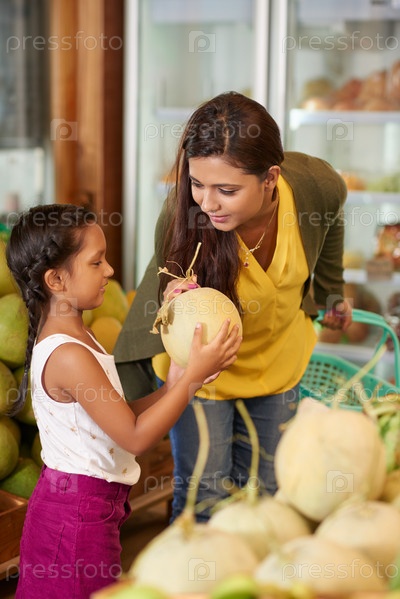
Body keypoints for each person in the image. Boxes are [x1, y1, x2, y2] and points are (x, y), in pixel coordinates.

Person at [114, 91, 353, 522]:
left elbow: (334, 215)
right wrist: (173, 300)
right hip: (201, 371)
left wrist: (331, 289)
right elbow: (167, 290)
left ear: (270, 178)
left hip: (277, 362)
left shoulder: (315, 186)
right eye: (197, 183)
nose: (207, 203)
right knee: (204, 499)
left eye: (227, 190)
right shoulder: (182, 216)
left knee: (267, 496)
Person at [5, 203, 241, 599]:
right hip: (73, 522)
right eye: (96, 262)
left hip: (88, 512)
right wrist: (191, 380)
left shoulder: (82, 338)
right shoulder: (69, 355)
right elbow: (134, 437)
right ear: (56, 279)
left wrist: (176, 383)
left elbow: (118, 419)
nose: (110, 270)